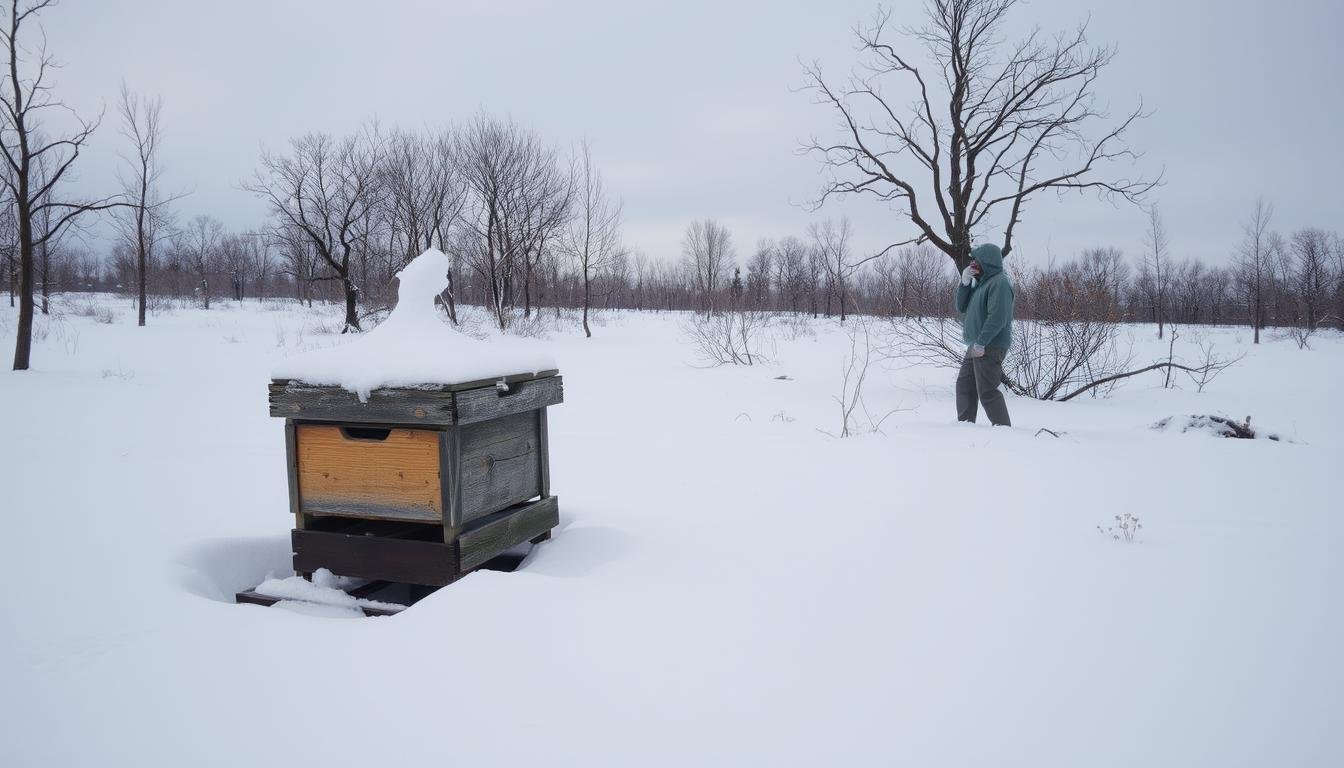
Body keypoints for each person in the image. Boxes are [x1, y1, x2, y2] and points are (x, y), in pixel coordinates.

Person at [954, 243, 1014, 426]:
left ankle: (1003, 430)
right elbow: (961, 307)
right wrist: (964, 284)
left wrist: (981, 342)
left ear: (987, 262)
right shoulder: (980, 284)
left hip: (990, 344)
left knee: (987, 391)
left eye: (976, 261)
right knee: (964, 386)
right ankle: (965, 426)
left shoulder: (1000, 283)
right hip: (977, 345)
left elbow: (997, 318)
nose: (972, 264)